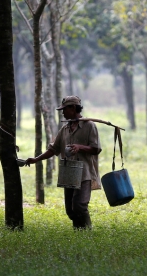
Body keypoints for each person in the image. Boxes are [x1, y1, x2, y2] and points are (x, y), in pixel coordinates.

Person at [25, 95, 101, 229]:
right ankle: (78, 233)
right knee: (70, 210)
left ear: (73, 108)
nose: (63, 112)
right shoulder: (65, 129)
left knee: (79, 205)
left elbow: (96, 149)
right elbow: (53, 149)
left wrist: (80, 147)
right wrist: (36, 159)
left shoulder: (89, 126)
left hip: (84, 173)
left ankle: (87, 231)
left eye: (65, 109)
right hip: (68, 172)